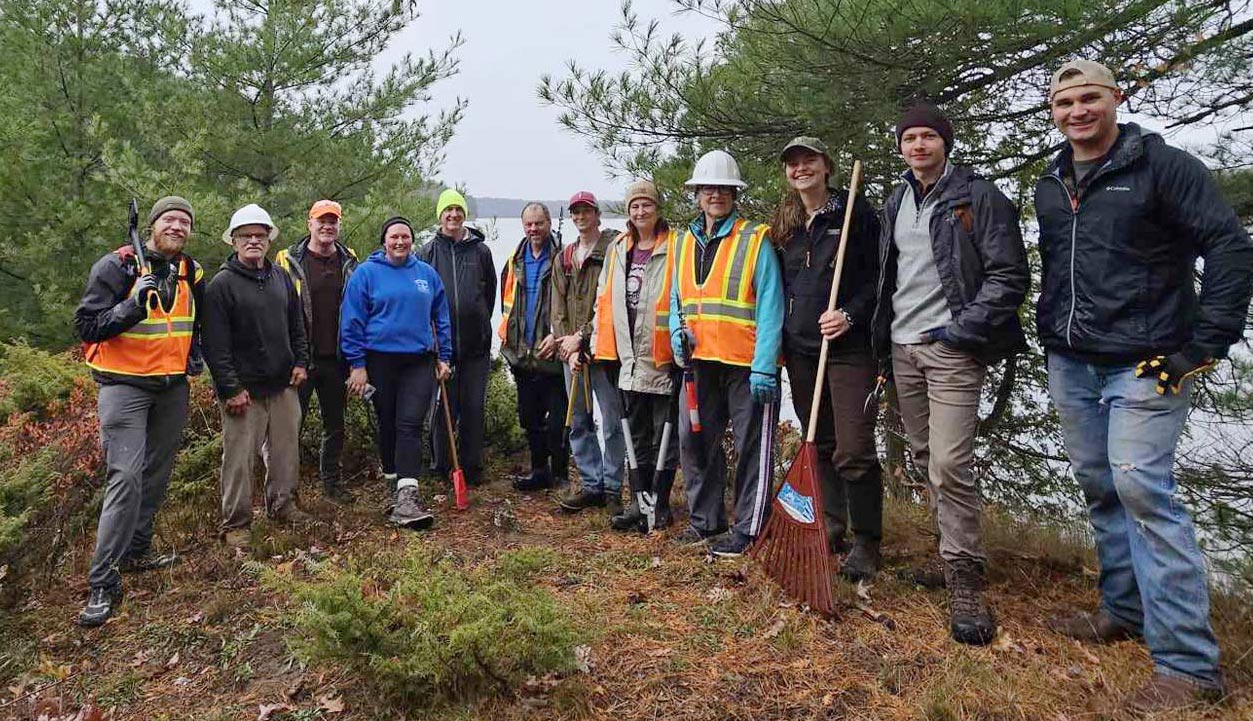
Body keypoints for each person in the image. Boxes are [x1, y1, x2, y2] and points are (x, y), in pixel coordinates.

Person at [1036, 60, 1253, 713]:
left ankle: (1188, 667)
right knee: (1100, 487)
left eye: (1089, 98)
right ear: (1053, 111)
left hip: (1148, 361)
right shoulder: (1049, 182)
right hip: (1071, 361)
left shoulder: (1164, 167)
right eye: (1064, 101)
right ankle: (1122, 611)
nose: (1077, 110)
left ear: (1115, 100)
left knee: (1143, 492)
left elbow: (1228, 247)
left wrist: (1203, 345)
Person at [870, 102, 1029, 646]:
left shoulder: (976, 197)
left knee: (950, 462)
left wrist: (963, 330)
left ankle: (964, 574)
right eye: (909, 137)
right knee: (921, 456)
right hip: (902, 347)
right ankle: (950, 555)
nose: (918, 145)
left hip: (952, 350)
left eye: (928, 137)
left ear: (945, 143)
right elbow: (889, 276)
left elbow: (1009, 274)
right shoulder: (897, 201)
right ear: (900, 147)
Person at [73, 196, 203, 626]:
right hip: (123, 386)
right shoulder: (117, 266)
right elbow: (87, 326)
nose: (177, 227)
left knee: (156, 473)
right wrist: (131, 307)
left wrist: (194, 356)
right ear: (152, 225)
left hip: (171, 388)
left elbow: (192, 322)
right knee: (124, 477)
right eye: (169, 219)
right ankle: (101, 582)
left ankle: (137, 551)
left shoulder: (190, 271)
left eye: (184, 222)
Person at [772, 137, 883, 580]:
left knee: (854, 448)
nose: (801, 169)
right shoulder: (786, 222)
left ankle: (867, 541)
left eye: (809, 161)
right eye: (793, 164)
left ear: (826, 165)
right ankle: (832, 525)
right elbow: (777, 285)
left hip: (847, 349)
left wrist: (850, 315)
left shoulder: (858, 212)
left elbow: (879, 278)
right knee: (819, 440)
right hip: (800, 349)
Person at [669, 149, 784, 558]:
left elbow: (772, 304)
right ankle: (705, 522)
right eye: (708, 188)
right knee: (694, 439)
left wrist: (766, 366)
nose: (715, 194)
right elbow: (677, 298)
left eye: (723, 188)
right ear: (697, 194)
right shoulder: (683, 242)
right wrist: (674, 337)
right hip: (700, 365)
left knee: (753, 445)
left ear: (734, 194)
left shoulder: (756, 239)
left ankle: (749, 529)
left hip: (746, 365)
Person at [203, 204, 310, 550]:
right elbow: (215, 345)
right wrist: (230, 388)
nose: (253, 241)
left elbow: (297, 324)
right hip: (243, 393)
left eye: (260, 236)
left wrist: (301, 361)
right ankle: (236, 525)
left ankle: (282, 506)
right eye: (246, 236)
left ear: (268, 241)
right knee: (239, 460)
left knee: (285, 452)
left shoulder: (280, 277)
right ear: (233, 241)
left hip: (282, 385)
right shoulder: (222, 285)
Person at [340, 216, 452, 529]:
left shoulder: (426, 275)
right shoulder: (366, 274)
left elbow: (441, 317)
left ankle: (407, 493)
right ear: (384, 241)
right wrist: (357, 364)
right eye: (394, 237)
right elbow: (352, 321)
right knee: (388, 421)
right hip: (379, 360)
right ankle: (393, 475)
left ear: (412, 240)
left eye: (405, 236)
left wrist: (445, 357)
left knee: (410, 422)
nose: (400, 242)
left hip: (418, 360)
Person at [589, 180, 680, 531]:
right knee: (635, 434)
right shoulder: (619, 247)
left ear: (658, 209)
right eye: (634, 207)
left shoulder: (675, 246)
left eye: (647, 205)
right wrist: (600, 346)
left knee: (664, 435)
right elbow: (603, 298)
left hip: (662, 357)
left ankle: (659, 502)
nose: (640, 212)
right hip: (626, 357)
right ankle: (638, 501)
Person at [274, 199, 359, 503]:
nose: (327, 226)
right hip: (299, 360)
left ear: (339, 225)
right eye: (321, 221)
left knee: (335, 426)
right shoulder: (286, 260)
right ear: (309, 223)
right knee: (288, 429)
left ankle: (332, 485)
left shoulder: (350, 260)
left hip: (336, 359)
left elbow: (358, 310)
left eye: (333, 221)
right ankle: (286, 491)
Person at [552, 191, 627, 515]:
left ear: (597, 214)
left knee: (612, 422)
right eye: (575, 213)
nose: (581, 217)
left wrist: (584, 338)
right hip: (572, 355)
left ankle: (613, 487)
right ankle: (591, 483)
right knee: (579, 421)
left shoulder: (613, 251)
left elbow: (612, 302)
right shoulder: (564, 257)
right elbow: (557, 308)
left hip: (605, 352)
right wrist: (566, 346)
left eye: (586, 212)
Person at [416, 189, 495, 487]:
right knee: (440, 409)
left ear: (464, 215)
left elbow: (489, 294)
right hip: (440, 348)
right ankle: (442, 466)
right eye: (447, 210)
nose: (453, 215)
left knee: (474, 406)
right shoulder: (426, 253)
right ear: (440, 215)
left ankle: (472, 466)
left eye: (458, 210)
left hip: (476, 346)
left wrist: (480, 324)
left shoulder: (480, 251)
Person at [499, 203, 568, 492]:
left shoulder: (564, 258)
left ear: (549, 223)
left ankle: (561, 475)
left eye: (539, 223)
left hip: (552, 354)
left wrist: (561, 336)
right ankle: (539, 471)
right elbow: (504, 303)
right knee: (529, 419)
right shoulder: (514, 260)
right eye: (528, 224)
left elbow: (574, 303)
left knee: (559, 422)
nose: (533, 229)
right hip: (522, 355)